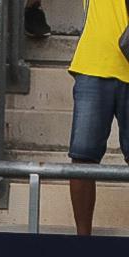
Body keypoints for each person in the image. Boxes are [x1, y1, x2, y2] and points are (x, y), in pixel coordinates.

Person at [67, 0, 128, 236]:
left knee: (83, 160)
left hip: (94, 65)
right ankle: (84, 243)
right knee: (82, 159)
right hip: (94, 64)